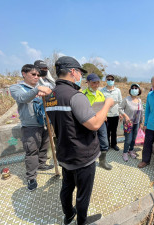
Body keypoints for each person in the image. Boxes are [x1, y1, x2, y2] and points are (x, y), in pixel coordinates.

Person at [46, 56, 114, 225]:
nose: (80, 77)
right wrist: (107, 105)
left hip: (64, 152)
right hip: (82, 155)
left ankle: (68, 215)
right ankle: (81, 221)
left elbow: (63, 120)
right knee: (83, 194)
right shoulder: (75, 96)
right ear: (72, 72)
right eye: (79, 73)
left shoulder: (50, 96)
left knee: (67, 187)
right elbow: (95, 124)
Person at [9, 64, 54, 191]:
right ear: (24, 73)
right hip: (30, 126)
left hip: (45, 123)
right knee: (32, 151)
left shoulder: (42, 88)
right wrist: (37, 89)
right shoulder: (16, 88)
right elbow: (22, 98)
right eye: (33, 74)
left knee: (44, 147)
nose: (36, 77)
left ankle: (42, 164)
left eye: (38, 75)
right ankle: (31, 177)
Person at [82, 73, 112, 170]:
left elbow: (103, 106)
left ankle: (102, 162)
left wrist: (105, 116)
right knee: (89, 142)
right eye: (93, 83)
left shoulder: (100, 94)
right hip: (89, 122)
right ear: (88, 83)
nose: (96, 85)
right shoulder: (83, 94)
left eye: (98, 83)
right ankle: (88, 162)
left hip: (101, 121)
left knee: (104, 142)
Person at [119, 83, 144, 162]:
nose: (134, 89)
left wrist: (141, 122)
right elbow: (120, 108)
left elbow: (141, 112)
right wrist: (125, 116)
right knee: (128, 139)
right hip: (128, 123)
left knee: (133, 139)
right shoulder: (126, 99)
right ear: (130, 90)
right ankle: (125, 152)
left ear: (139, 90)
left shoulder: (139, 100)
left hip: (136, 123)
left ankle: (131, 150)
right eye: (132, 88)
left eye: (136, 88)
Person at [101, 74, 122, 151]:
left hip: (115, 114)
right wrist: (103, 114)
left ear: (114, 81)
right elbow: (101, 103)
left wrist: (121, 113)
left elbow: (120, 102)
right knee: (106, 131)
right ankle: (107, 145)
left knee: (114, 131)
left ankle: (114, 144)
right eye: (108, 80)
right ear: (106, 81)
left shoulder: (117, 91)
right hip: (106, 115)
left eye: (111, 80)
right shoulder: (102, 91)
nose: (110, 81)